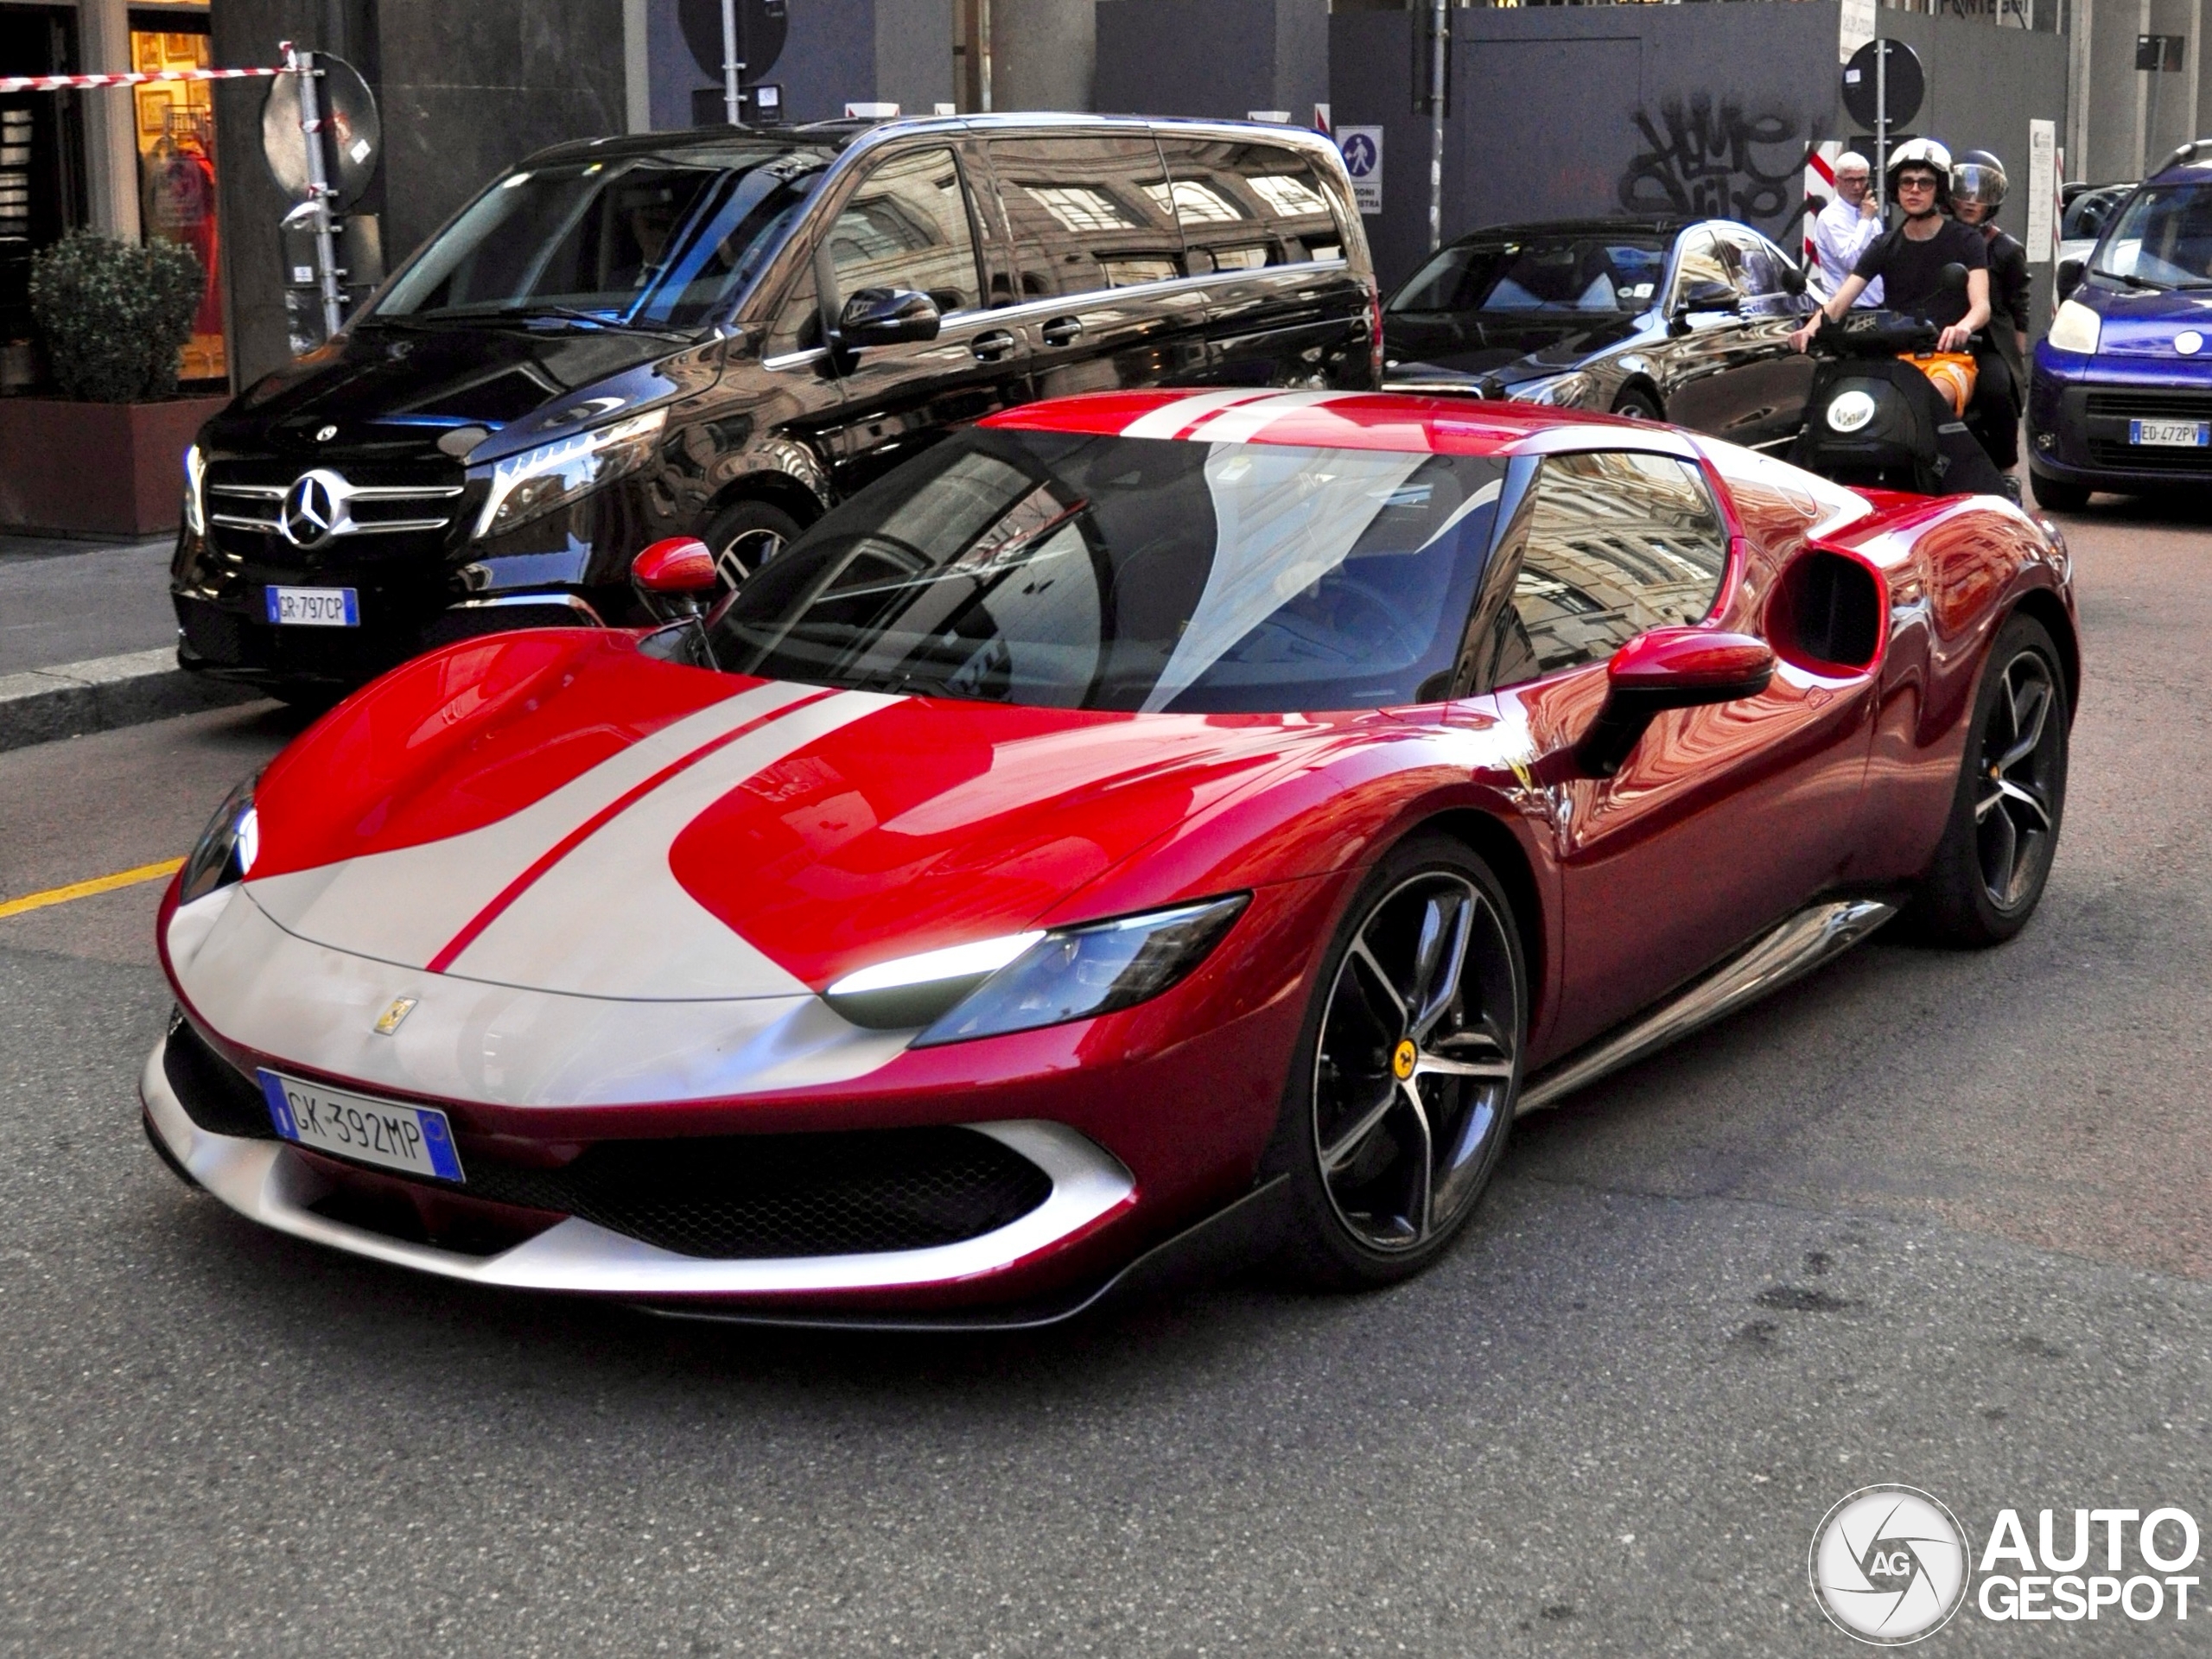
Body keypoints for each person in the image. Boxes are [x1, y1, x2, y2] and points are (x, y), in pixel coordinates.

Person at [1789, 140, 2012, 499]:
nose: (1914, 190)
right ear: (1895, 188)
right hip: (1891, 363)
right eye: (1907, 182)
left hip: (1946, 359)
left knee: (1931, 397)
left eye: (1924, 182)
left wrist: (1963, 327)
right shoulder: (1884, 244)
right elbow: (1841, 300)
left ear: (1939, 189)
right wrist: (1810, 329)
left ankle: (1948, 488)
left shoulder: (1966, 240)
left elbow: (1981, 305)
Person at [1952, 149, 2029, 471]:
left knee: (1998, 391)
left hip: (1989, 343)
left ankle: (2007, 469)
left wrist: (2016, 361)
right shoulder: (1938, 239)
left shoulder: (2006, 249)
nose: (1971, 201)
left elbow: (2019, 307)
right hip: (1939, 338)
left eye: (1982, 195)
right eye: (1965, 193)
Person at [1810, 152, 1885, 307]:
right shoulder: (1830, 218)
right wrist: (1865, 220)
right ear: (1837, 181)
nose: (1857, 187)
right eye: (1850, 180)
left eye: (1862, 179)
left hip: (1877, 305)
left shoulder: (1870, 216)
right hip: (1847, 310)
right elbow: (1853, 261)